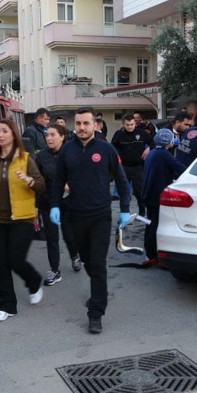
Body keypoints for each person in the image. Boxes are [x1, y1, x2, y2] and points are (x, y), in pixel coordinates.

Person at [49, 107, 131, 334]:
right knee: (86, 260)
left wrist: (124, 209)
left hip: (100, 216)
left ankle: (96, 312)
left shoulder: (106, 149)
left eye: (86, 123)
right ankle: (99, 292)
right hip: (76, 215)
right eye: (78, 124)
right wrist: (55, 204)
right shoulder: (67, 151)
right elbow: (58, 181)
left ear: (95, 124)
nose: (82, 128)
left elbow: (122, 182)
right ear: (73, 125)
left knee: (97, 263)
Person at [0, 119, 46, 322]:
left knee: (15, 260)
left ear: (13, 134)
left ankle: (34, 280)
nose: (0, 135)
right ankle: (6, 306)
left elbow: (40, 184)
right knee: (0, 264)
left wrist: (28, 180)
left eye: (4, 131)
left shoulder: (25, 158)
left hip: (22, 218)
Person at [36, 123, 81, 286]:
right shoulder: (41, 156)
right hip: (47, 203)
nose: (49, 138)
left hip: (68, 203)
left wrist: (70, 183)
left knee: (69, 236)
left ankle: (75, 256)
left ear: (62, 136)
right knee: (51, 238)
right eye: (47, 135)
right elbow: (38, 180)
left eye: (53, 134)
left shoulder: (72, 153)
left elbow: (81, 174)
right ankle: (55, 270)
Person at [142, 129, 187, 267]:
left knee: (150, 224)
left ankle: (149, 253)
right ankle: (153, 255)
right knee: (155, 225)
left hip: (148, 193)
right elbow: (181, 169)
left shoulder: (153, 153)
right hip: (156, 195)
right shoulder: (164, 155)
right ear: (169, 141)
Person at [111, 114, 152, 216]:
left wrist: (149, 149)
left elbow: (153, 142)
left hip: (137, 167)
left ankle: (142, 212)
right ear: (123, 124)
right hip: (123, 167)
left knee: (139, 192)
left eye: (132, 124)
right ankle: (125, 213)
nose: (130, 127)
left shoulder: (141, 133)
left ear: (135, 123)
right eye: (127, 125)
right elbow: (112, 147)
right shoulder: (118, 134)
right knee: (124, 192)